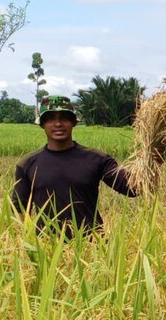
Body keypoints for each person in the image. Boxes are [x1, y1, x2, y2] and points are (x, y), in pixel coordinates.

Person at [11, 96, 139, 238]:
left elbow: (132, 188)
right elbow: (19, 210)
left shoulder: (96, 159)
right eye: (50, 118)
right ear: (42, 124)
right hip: (47, 250)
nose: (58, 123)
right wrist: (29, 245)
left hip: (92, 248)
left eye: (64, 118)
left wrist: (154, 158)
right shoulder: (27, 163)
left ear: (73, 122)